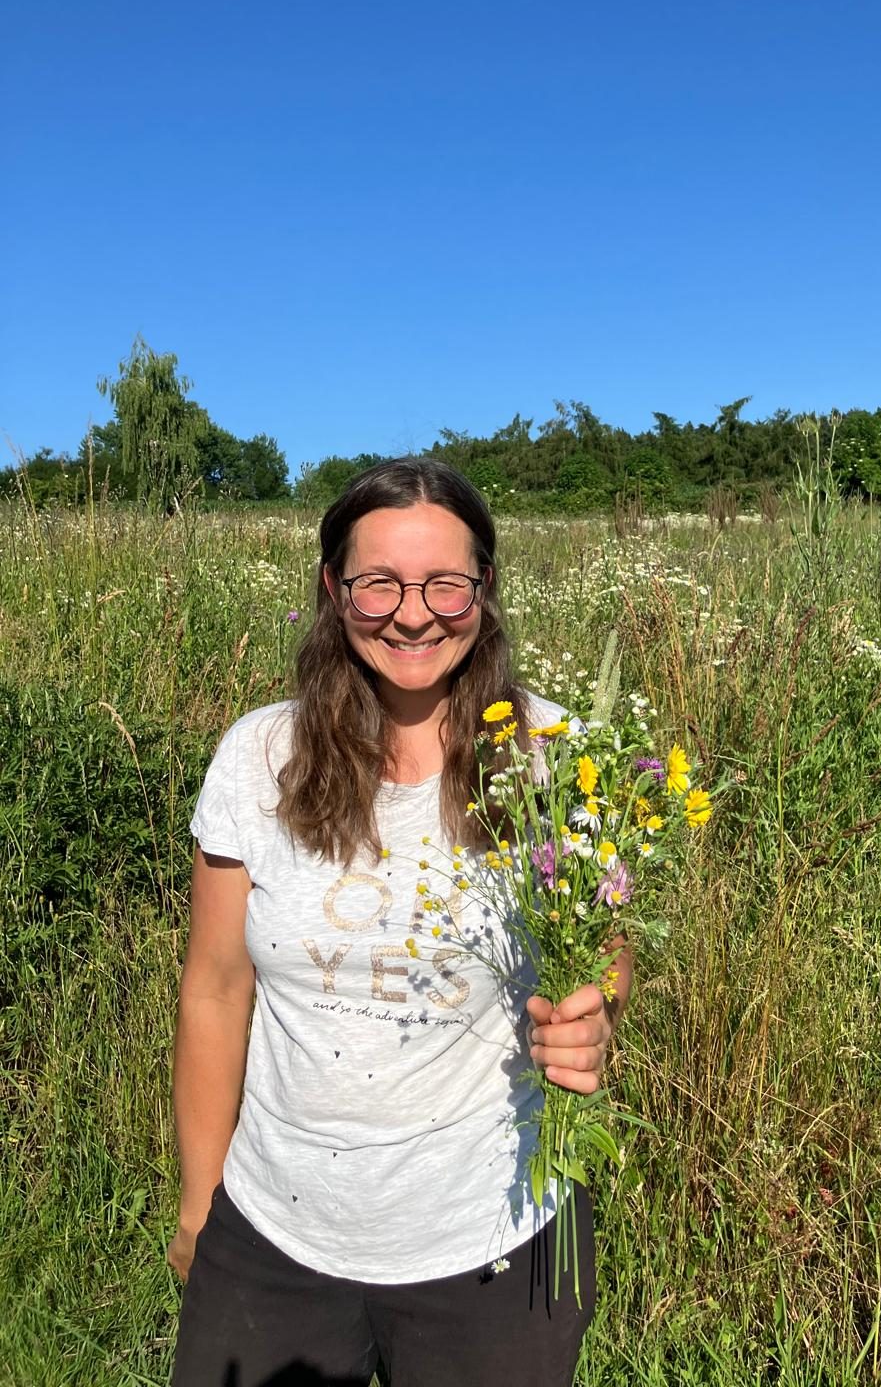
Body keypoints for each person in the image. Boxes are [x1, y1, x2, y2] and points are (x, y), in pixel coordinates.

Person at [168, 457, 631, 1387]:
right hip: (274, 1238)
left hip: (495, 1243)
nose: (413, 614)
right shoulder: (258, 756)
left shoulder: (557, 754)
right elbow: (217, 988)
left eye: (445, 584)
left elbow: (607, 952)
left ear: (485, 590)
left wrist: (598, 1017)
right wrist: (199, 1202)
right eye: (379, 582)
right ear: (334, 590)